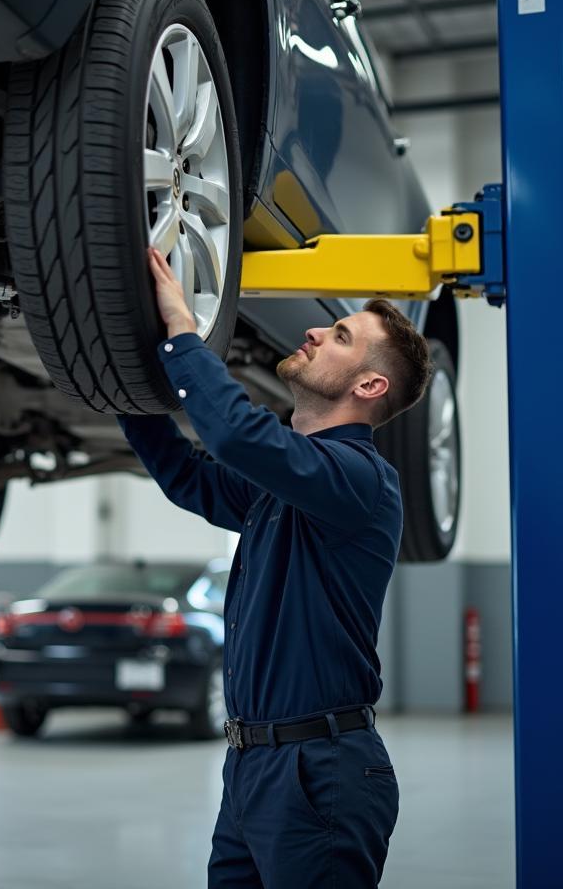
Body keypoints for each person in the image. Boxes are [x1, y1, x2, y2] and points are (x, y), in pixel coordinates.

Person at [117, 247, 434, 889]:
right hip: (251, 768)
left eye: (341, 335)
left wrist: (183, 332)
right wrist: (118, 377)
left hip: (321, 772)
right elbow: (188, 476)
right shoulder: (286, 489)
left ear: (369, 386)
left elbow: (235, 437)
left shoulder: (359, 480)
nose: (314, 330)